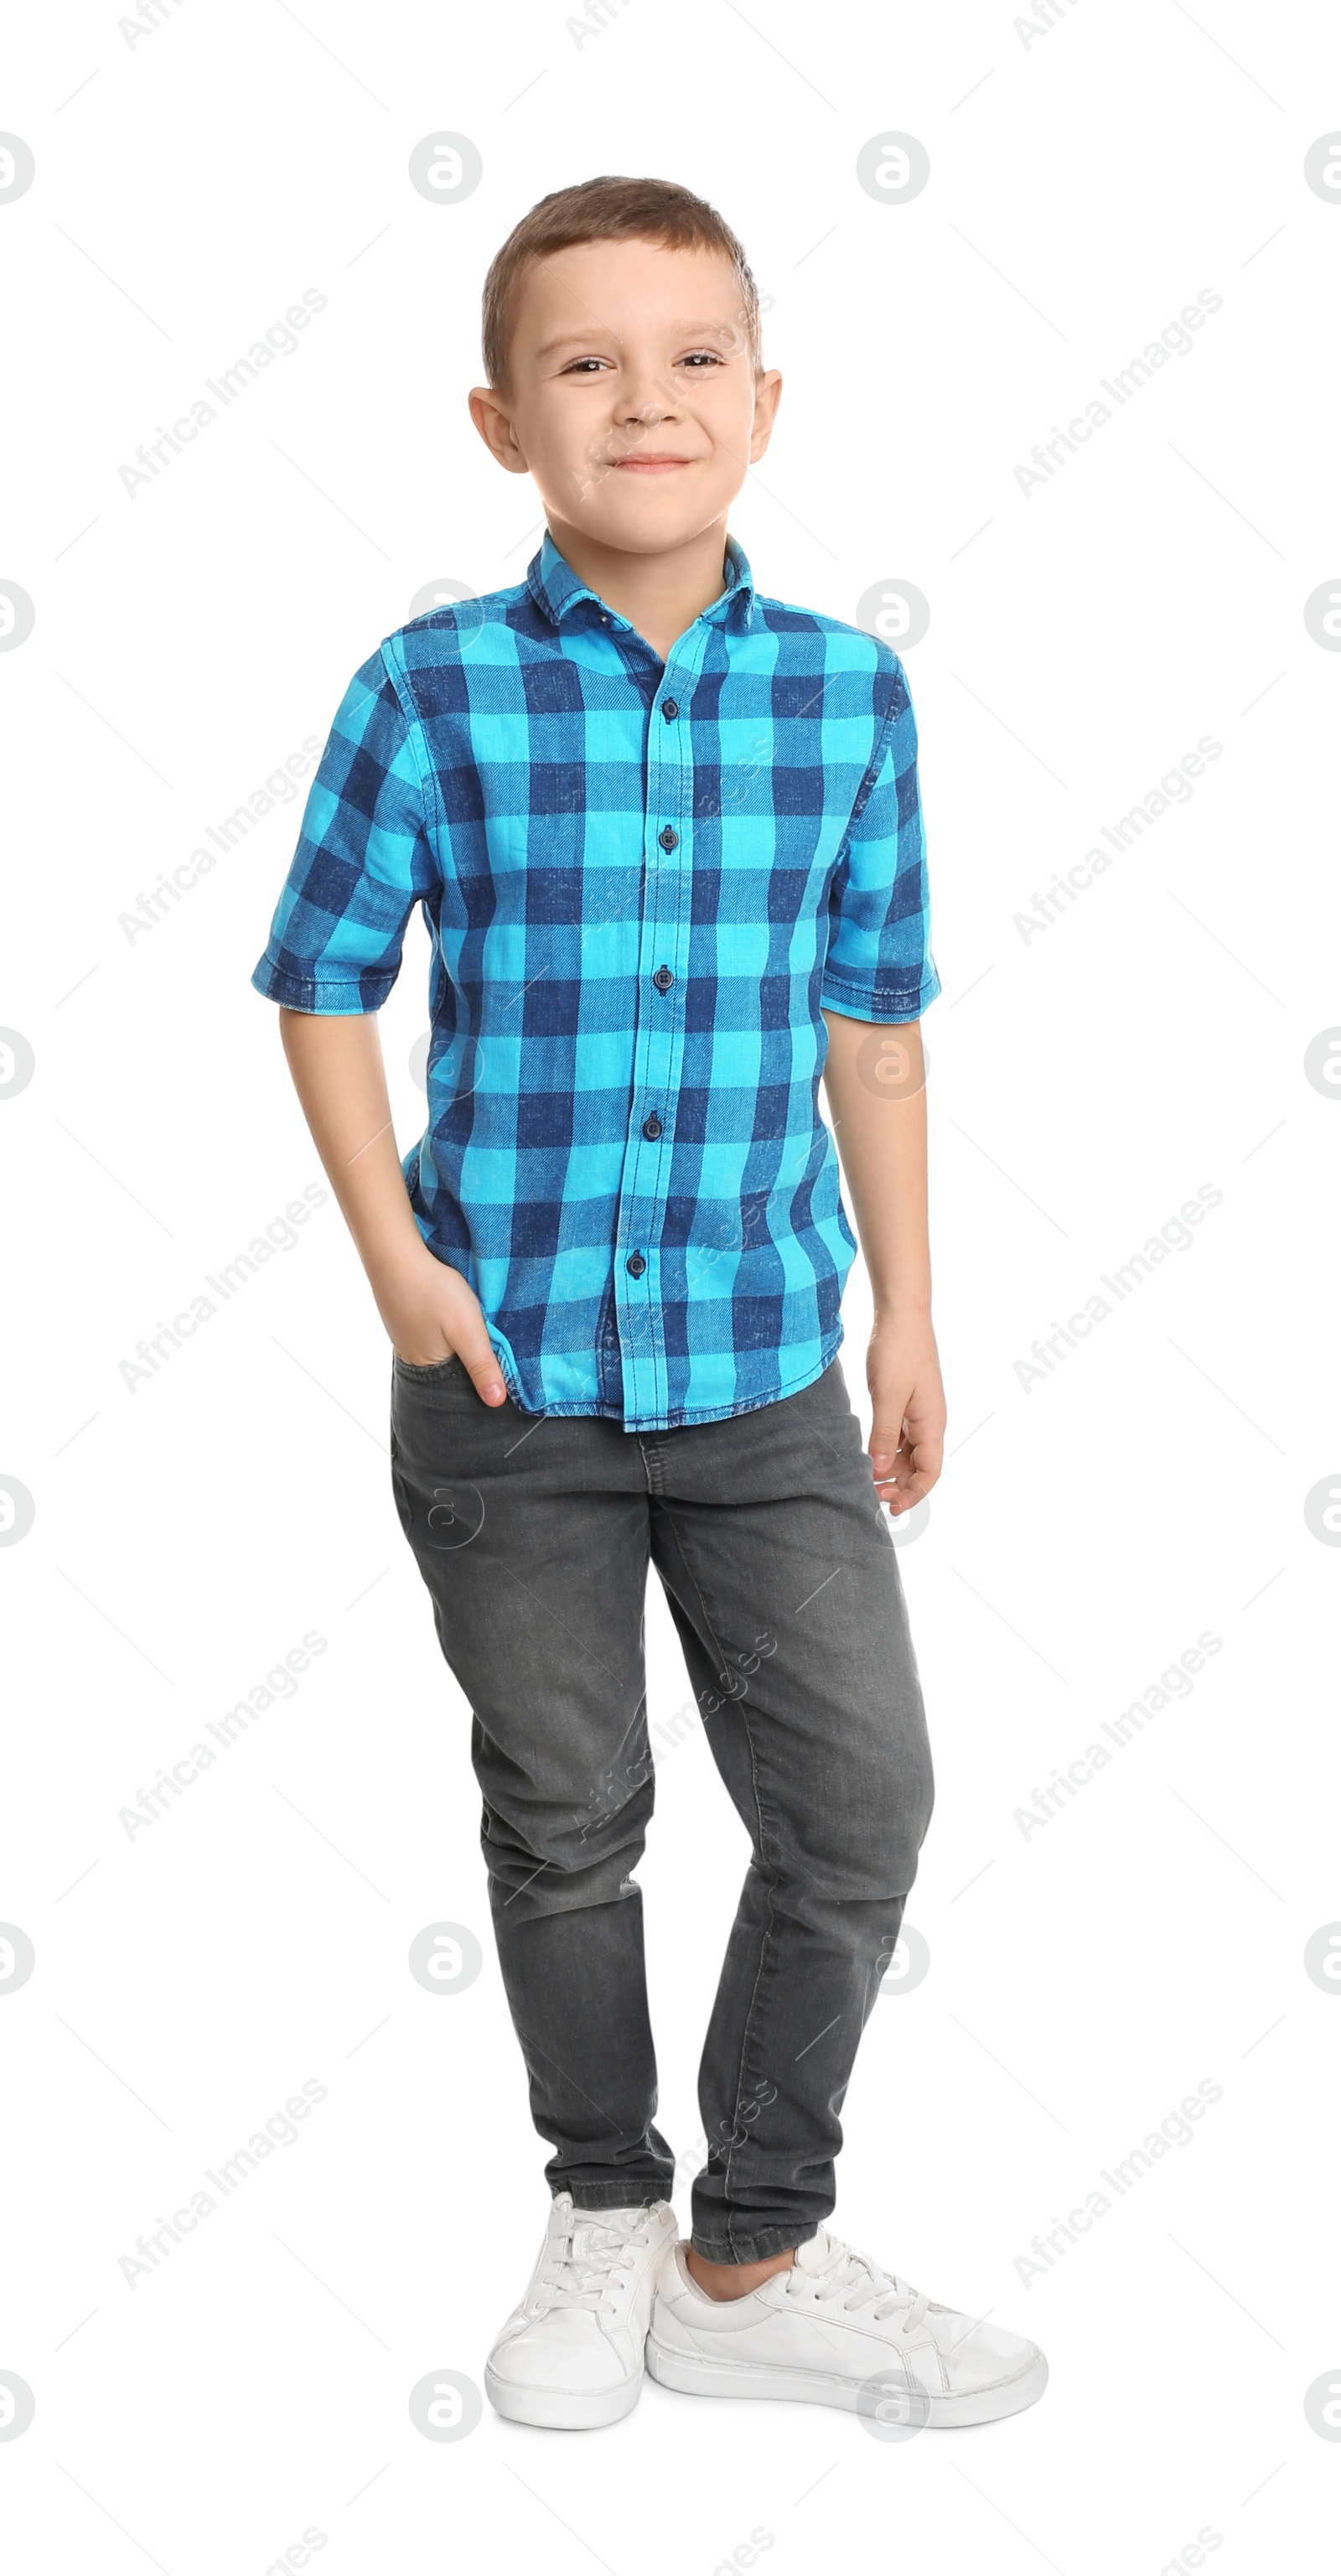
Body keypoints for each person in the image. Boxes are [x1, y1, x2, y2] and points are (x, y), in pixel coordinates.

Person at [251, 174, 1047, 2435]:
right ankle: (602, 2200)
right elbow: (321, 985)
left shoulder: (844, 692)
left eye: (694, 354)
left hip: (764, 1373)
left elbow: (872, 1026)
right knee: (568, 1807)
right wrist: (400, 1267)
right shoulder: (432, 687)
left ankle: (747, 2241)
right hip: (501, 1384)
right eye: (587, 361)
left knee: (857, 1806)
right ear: (505, 421)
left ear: (766, 402)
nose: (647, 397)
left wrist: (907, 1316)